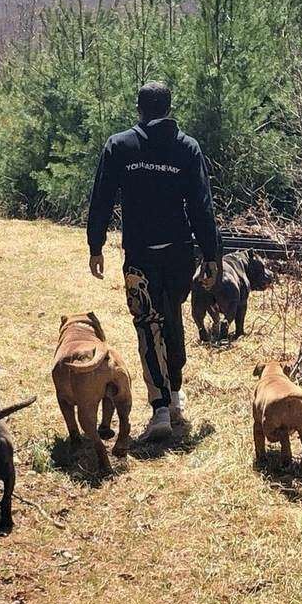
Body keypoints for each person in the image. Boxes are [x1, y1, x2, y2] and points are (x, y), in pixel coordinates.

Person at [86, 81, 220, 442]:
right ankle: (175, 395)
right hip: (179, 254)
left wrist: (95, 245)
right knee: (172, 317)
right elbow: (201, 206)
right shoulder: (186, 148)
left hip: (140, 257)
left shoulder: (120, 146)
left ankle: (161, 408)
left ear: (139, 109)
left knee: (148, 324)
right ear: (169, 107)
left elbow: (101, 199)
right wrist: (211, 254)